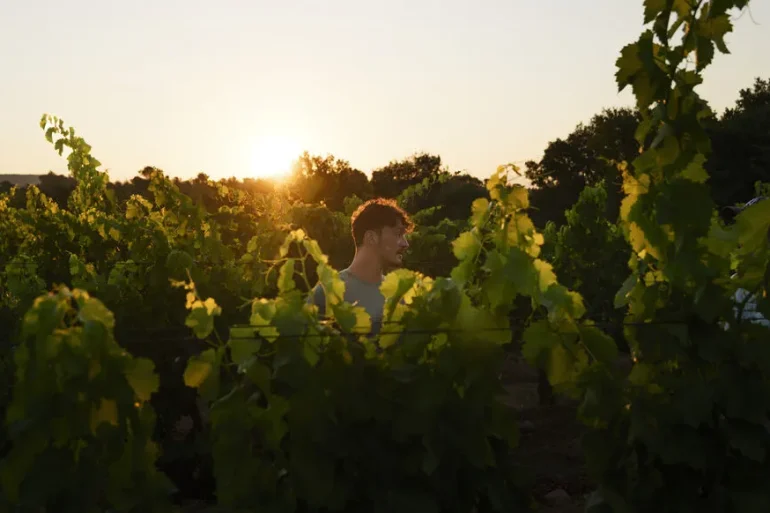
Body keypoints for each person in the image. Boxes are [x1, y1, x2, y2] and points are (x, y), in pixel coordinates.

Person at [308, 198, 413, 334]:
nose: (405, 244)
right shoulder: (327, 292)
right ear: (371, 238)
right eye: (398, 234)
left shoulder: (399, 296)